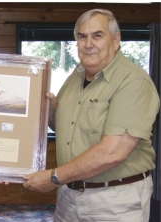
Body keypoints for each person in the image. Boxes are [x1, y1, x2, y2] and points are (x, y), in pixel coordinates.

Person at [23, 9, 160, 222]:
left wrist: (54, 177)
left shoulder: (133, 82)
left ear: (116, 40)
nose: (88, 44)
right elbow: (69, 129)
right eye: (82, 36)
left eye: (97, 35)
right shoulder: (75, 77)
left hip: (114, 201)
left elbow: (113, 152)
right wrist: (50, 114)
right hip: (69, 196)